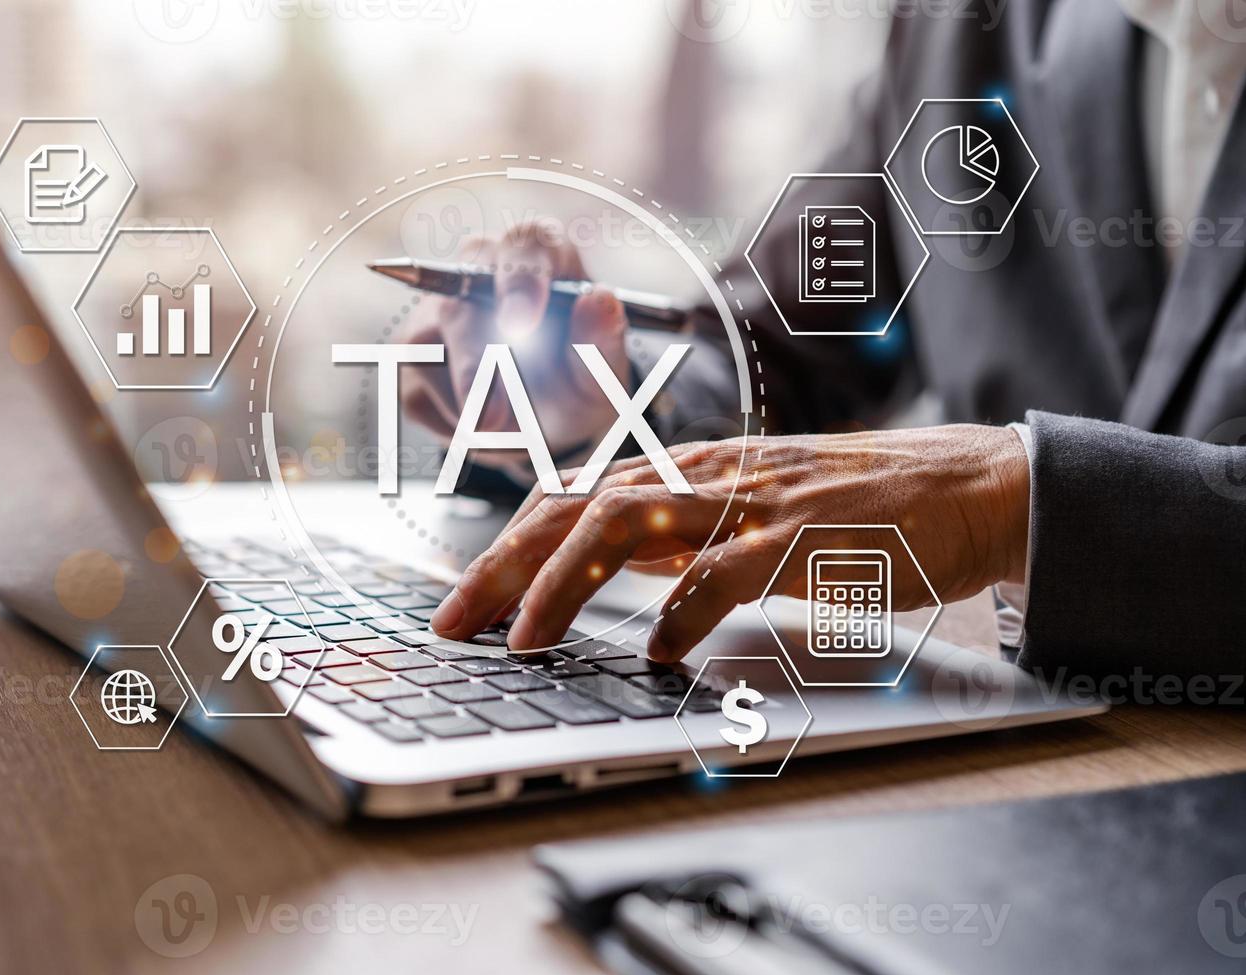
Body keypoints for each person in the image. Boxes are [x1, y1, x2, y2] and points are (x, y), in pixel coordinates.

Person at [407, 0, 1246, 680]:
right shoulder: (962, 25)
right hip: (1012, 778)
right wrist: (604, 401)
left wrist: (1017, 508)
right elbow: (778, 341)